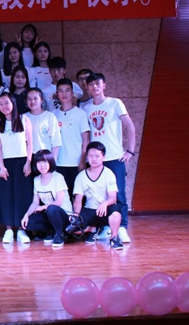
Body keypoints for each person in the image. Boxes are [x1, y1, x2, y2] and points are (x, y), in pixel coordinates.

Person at [84, 72, 136, 243]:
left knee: (119, 194)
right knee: (98, 196)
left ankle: (122, 228)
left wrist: (130, 151)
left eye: (98, 83)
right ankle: (105, 226)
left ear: (104, 85)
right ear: (87, 87)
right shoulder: (86, 109)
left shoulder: (115, 103)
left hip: (114, 157)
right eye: (91, 84)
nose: (95, 87)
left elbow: (130, 126)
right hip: (95, 160)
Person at [0, 92, 34, 244]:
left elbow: (30, 143)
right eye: (0, 104)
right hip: (6, 164)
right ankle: (9, 230)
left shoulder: (24, 119)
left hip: (22, 162)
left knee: (23, 196)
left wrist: (28, 162)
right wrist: (2, 167)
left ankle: (22, 229)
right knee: (6, 197)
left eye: (6, 103)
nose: (4, 106)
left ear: (13, 103)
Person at [72, 141, 124, 250]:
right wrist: (76, 214)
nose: (94, 159)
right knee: (73, 230)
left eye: (97, 156)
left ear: (103, 157)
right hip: (89, 209)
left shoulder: (109, 174)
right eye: (91, 156)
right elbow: (78, 200)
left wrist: (104, 204)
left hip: (105, 210)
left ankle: (114, 237)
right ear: (87, 157)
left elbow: (113, 197)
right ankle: (93, 229)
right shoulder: (81, 176)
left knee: (115, 212)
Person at [21, 150, 74, 248]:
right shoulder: (36, 179)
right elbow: (35, 202)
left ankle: (60, 235)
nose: (42, 165)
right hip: (49, 215)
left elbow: (58, 202)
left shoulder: (58, 177)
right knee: (29, 223)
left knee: (51, 209)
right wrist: (26, 215)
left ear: (50, 162)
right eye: (39, 162)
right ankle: (51, 231)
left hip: (64, 215)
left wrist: (42, 207)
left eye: (45, 162)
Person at [54, 78, 90, 200]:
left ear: (72, 93)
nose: (64, 94)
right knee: (63, 198)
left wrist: (83, 160)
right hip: (59, 163)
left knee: (79, 197)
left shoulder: (81, 114)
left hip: (76, 162)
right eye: (61, 91)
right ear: (57, 94)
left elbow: (86, 140)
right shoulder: (52, 115)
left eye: (67, 90)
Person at [23, 88, 62, 156]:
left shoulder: (50, 117)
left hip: (45, 156)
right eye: (29, 99)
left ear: (41, 100)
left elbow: (56, 142)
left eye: (35, 98)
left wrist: (53, 160)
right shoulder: (23, 117)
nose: (32, 101)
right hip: (28, 156)